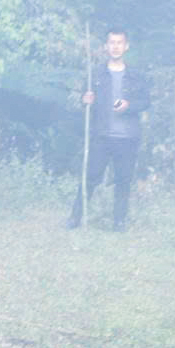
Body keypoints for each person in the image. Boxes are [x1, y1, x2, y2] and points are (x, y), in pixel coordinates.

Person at [69, 27, 152, 231]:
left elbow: (146, 102)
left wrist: (128, 106)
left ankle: (119, 222)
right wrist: (85, 100)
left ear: (126, 46)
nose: (115, 47)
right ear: (106, 47)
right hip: (101, 136)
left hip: (127, 138)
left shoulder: (135, 76)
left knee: (123, 181)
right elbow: (85, 99)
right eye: (112, 43)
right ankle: (75, 219)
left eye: (119, 43)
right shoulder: (96, 74)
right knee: (89, 178)